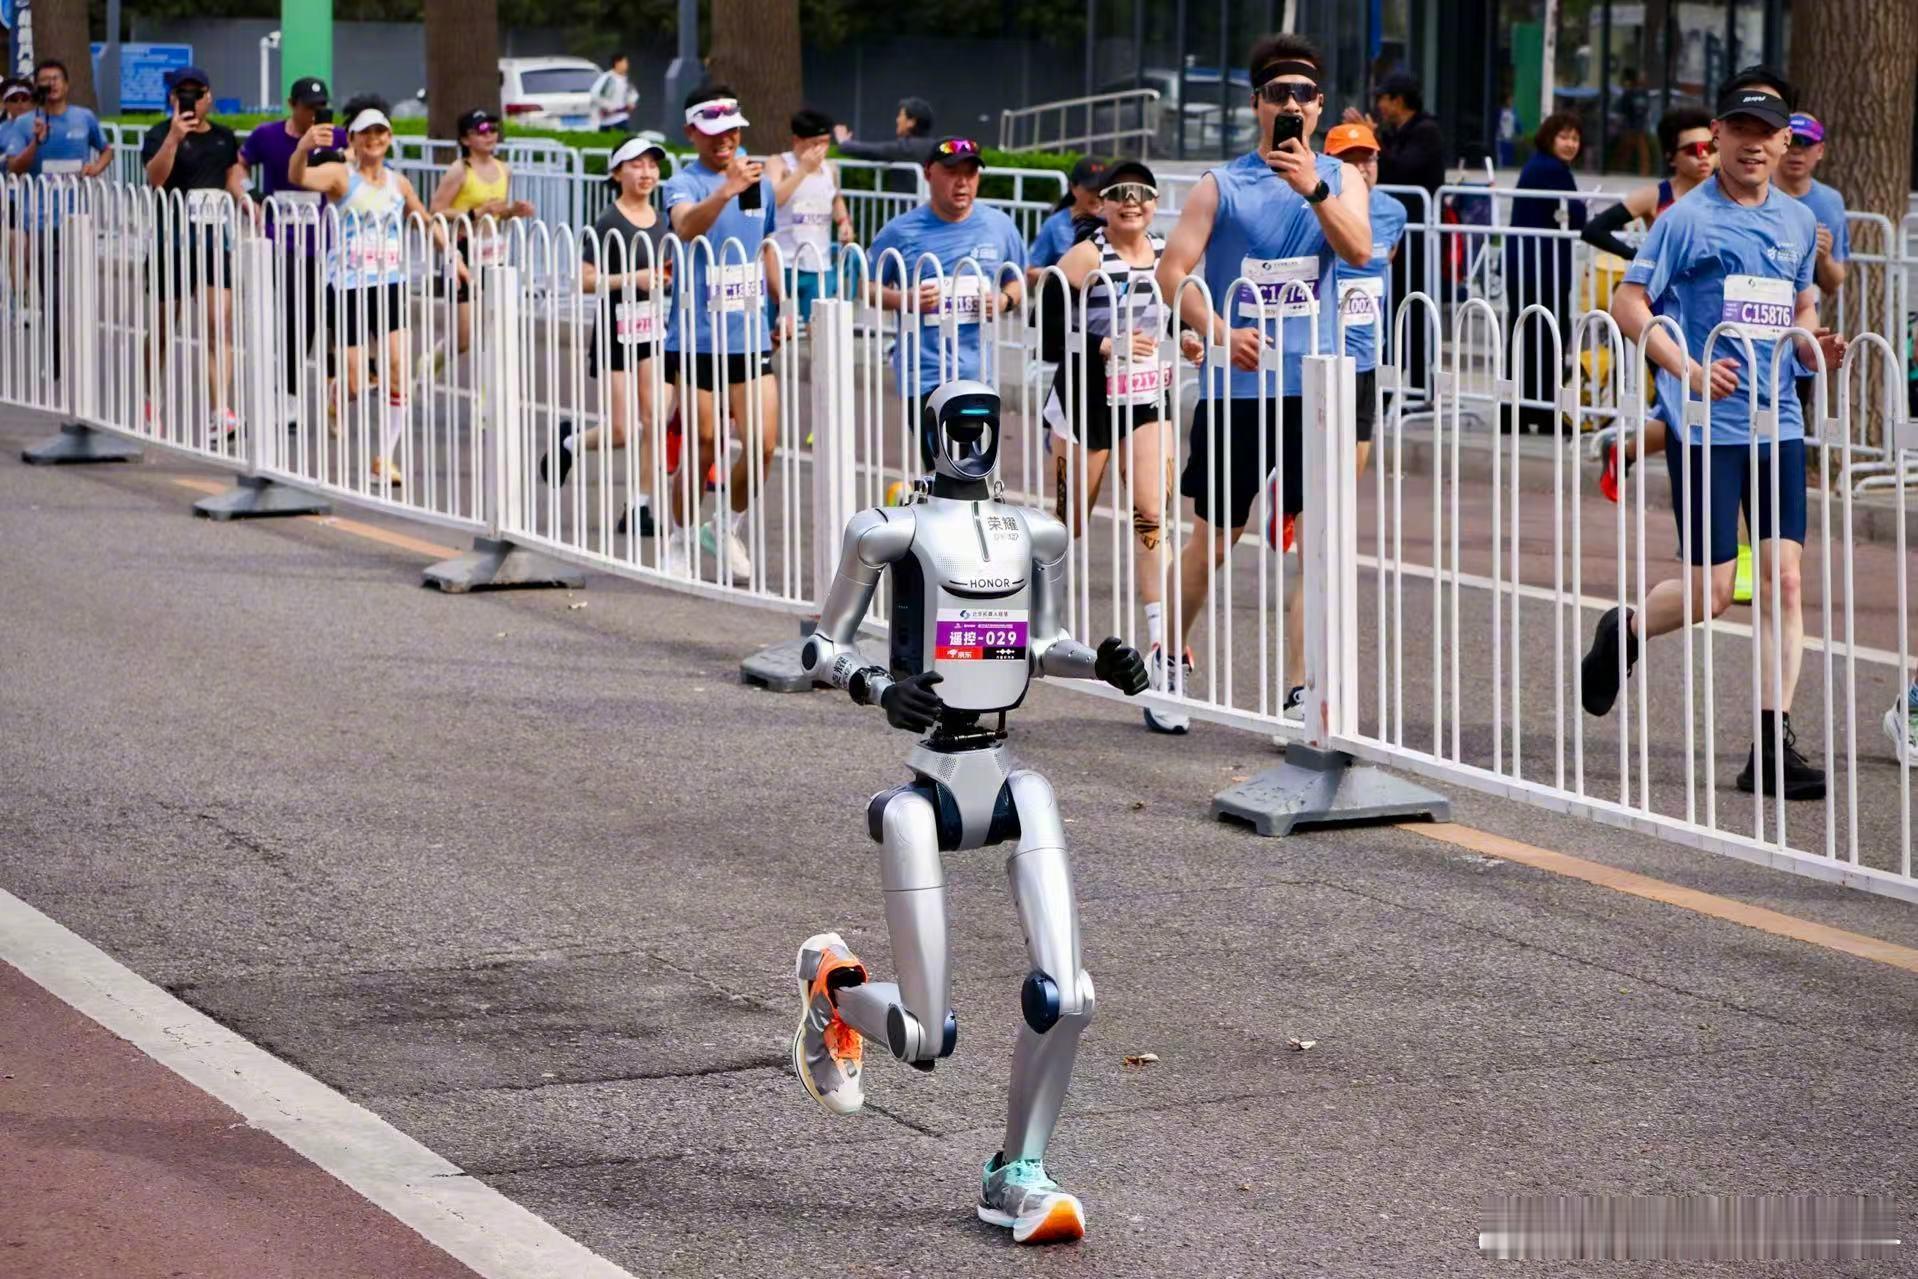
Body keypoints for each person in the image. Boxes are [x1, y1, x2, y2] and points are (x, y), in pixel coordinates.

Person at [791, 379, 1147, 1247]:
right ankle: (834, 990)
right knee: (924, 1035)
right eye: (961, 425)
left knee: (1068, 994)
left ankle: (1017, 1173)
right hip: (927, 785)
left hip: (1007, 769)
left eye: (986, 425)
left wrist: (1100, 663)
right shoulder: (890, 529)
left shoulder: (1033, 532)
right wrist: (878, 686)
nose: (972, 441)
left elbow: (1040, 642)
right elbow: (821, 644)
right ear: (933, 431)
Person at [1584, 67, 1847, 802]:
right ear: (1719, 137)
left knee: (1784, 579)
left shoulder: (1798, 221)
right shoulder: (1686, 219)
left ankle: (1771, 744)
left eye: (1770, 134)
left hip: (1778, 423)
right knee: (1713, 594)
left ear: (1785, 142)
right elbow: (1631, 304)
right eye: (1743, 132)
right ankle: (1627, 629)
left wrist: (1810, 346)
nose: (1755, 146)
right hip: (1706, 428)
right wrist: (1689, 369)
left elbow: (1800, 306)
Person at [1148, 32, 1372, 736]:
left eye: (1304, 94)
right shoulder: (1221, 184)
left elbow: (1359, 249)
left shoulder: (1342, 180)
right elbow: (1172, 273)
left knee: (1316, 545)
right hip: (1236, 390)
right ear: (1257, 104)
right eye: (1279, 93)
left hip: (1315, 389)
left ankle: (1303, 690)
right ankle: (1167, 660)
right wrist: (1219, 331)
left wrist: (1312, 187)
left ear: (1319, 105)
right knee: (1216, 540)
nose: (1291, 104)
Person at [1039, 161, 1203, 661]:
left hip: (1146, 394)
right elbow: (1047, 330)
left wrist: (1187, 338)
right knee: (1069, 522)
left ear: (1155, 203)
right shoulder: (1086, 255)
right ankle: (1038, 619)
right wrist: (1105, 345)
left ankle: (1163, 639)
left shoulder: (1166, 256)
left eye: (1142, 194)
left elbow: (1173, 316)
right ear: (1103, 204)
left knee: (1152, 514)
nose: (1131, 203)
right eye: (1120, 194)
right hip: (1086, 395)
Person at [1261, 120, 1408, 620]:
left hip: (1366, 356)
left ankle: (1299, 509)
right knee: (1326, 474)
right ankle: (1315, 557)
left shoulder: (1393, 212)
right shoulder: (1312, 203)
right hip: (1322, 353)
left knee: (1354, 467)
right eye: (1351, 159)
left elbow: (1382, 268)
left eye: (1369, 158)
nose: (1362, 167)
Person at [292, 97, 459, 490]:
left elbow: (423, 218)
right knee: (355, 384)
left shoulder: (399, 183)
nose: (374, 139)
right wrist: (302, 148)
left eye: (380, 132)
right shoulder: (339, 175)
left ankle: (384, 457)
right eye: (366, 133)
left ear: (390, 138)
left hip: (390, 283)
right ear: (352, 138)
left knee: (399, 368)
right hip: (348, 285)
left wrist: (451, 255)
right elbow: (299, 177)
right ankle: (338, 392)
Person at [659, 84, 790, 582]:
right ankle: (679, 537)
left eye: (732, 131)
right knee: (704, 442)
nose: (725, 140)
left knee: (763, 446)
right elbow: (685, 227)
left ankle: (726, 527)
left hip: (748, 334)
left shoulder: (760, 183)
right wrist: (725, 191)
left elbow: (764, 245)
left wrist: (782, 303)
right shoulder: (684, 183)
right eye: (713, 132)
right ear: (691, 132)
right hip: (696, 337)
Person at [540, 137, 675, 538]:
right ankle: (570, 444)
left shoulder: (664, 220)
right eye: (636, 165)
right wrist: (632, 278)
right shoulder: (608, 221)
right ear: (617, 173)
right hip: (616, 326)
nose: (646, 172)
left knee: (654, 419)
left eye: (652, 165)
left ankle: (639, 506)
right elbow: (583, 280)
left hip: (654, 326)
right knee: (622, 430)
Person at [1581, 106, 1715, 502]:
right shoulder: (1656, 196)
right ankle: (1689, 504)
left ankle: (1624, 451)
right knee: (1679, 403)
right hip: (1661, 316)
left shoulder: (1726, 194)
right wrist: (1638, 258)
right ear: (1672, 156)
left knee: (1697, 405)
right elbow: (1595, 228)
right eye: (1692, 150)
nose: (1704, 157)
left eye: (1710, 148)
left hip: (1710, 314)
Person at [867, 137, 1027, 435]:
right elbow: (867, 287)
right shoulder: (900, 231)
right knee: (941, 459)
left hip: (979, 372)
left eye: (970, 173)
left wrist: (1004, 300)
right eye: (952, 173)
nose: (962, 182)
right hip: (924, 373)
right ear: (929, 174)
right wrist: (904, 299)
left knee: (972, 458)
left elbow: (1017, 279)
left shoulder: (999, 225)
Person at [141, 67, 250, 441]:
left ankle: (221, 410)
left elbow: (232, 177)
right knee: (161, 327)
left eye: (197, 93)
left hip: (214, 242)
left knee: (219, 324)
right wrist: (174, 137)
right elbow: (155, 178)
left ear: (209, 96)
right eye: (183, 94)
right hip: (171, 242)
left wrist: (247, 199)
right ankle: (151, 400)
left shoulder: (223, 136)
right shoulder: (158, 133)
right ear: (173, 98)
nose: (192, 101)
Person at [241, 76, 347, 425]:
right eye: (308, 107)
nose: (315, 114)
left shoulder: (338, 137)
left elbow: (359, 166)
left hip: (324, 241)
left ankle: (323, 386)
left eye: (321, 107)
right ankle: (286, 394)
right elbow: (239, 164)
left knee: (315, 318)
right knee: (290, 314)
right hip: (281, 238)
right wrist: (250, 194)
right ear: (292, 105)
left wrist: (339, 155)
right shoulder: (267, 136)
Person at [3, 59, 110, 386]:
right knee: (51, 292)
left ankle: (80, 354)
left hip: (78, 219)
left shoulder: (84, 117)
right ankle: (56, 358)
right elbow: (14, 168)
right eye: (44, 80)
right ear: (38, 86)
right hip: (39, 219)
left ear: (66, 84)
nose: (51, 84)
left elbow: (106, 150)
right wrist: (36, 142)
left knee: (76, 291)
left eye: (56, 79)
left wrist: (96, 167)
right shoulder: (25, 124)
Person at [420, 108, 536, 383]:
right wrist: (475, 213)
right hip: (463, 253)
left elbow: (498, 213)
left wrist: (513, 211)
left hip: (494, 252)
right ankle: (429, 364)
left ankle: (487, 399)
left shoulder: (504, 169)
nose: (489, 136)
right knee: (464, 338)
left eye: (493, 129)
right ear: (465, 139)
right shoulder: (460, 170)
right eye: (481, 131)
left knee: (494, 331)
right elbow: (436, 211)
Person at [1348, 73, 1442, 403]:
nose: (1380, 106)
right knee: (1393, 309)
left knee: (1412, 309)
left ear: (1398, 100)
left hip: (1417, 236)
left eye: (1383, 99)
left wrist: (1374, 138)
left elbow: (1402, 169)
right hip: (1393, 233)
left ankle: (1418, 387)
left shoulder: (1426, 132)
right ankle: (1392, 385)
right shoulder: (1396, 132)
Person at [1505, 111, 1587, 434]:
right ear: (1549, 138)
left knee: (1527, 336)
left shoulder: (1539, 165)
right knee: (1548, 337)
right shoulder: (1553, 170)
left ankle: (1522, 410)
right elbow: (1577, 215)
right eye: (1564, 137)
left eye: (1575, 138)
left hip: (1528, 265)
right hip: (1542, 268)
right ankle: (1542, 410)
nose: (1570, 144)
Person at [1777, 112, 1849, 430]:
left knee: (1792, 409)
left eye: (1806, 144)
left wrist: (1824, 257)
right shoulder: (1758, 190)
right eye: (1792, 141)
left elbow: (1834, 282)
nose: (1797, 151)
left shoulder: (1829, 201)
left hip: (1802, 321)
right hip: (1754, 317)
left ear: (1820, 151)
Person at [764, 108, 854, 324]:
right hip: (781, 261)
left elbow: (835, 199)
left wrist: (844, 222)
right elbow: (773, 200)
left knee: (820, 328)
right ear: (797, 140)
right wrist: (802, 170)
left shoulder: (830, 168)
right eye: (815, 143)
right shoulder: (778, 163)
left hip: (817, 262)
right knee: (774, 328)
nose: (821, 149)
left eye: (826, 143)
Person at [1025, 155, 1106, 287]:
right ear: (1072, 187)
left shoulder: (1116, 221)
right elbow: (1031, 271)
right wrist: (1065, 279)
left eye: (1103, 189)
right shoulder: (1055, 224)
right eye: (1091, 189)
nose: (1098, 196)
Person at [832, 96, 936, 192]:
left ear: (911, 122)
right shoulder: (936, 146)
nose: (897, 120)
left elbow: (872, 150)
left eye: (900, 115)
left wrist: (845, 143)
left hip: (912, 205)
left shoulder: (906, 148)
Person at [589, 53, 638, 133]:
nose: (627, 65)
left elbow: (633, 93)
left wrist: (631, 102)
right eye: (625, 62)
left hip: (621, 118)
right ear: (617, 63)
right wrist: (607, 106)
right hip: (607, 120)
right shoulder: (608, 78)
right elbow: (595, 95)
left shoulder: (626, 79)